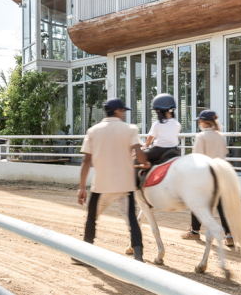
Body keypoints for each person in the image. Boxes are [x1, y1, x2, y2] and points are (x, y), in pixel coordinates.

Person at [77, 97, 150, 263]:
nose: (124, 113)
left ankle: (84, 255)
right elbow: (139, 153)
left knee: (91, 219)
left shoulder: (93, 131)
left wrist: (82, 187)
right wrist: (145, 163)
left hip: (101, 186)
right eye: (123, 110)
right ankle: (138, 256)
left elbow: (86, 161)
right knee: (131, 220)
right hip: (125, 185)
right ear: (116, 111)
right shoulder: (129, 129)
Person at [182, 109, 233, 246]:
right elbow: (223, 154)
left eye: (200, 120)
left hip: (206, 174)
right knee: (222, 206)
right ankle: (229, 235)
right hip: (220, 173)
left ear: (204, 122)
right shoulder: (220, 136)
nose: (199, 122)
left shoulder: (201, 136)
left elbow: (198, 158)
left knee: (195, 201)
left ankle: (195, 231)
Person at [143, 93, 182, 165]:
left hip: (160, 150)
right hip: (175, 150)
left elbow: (151, 137)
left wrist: (145, 146)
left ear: (159, 111)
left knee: (138, 157)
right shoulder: (177, 124)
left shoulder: (157, 124)